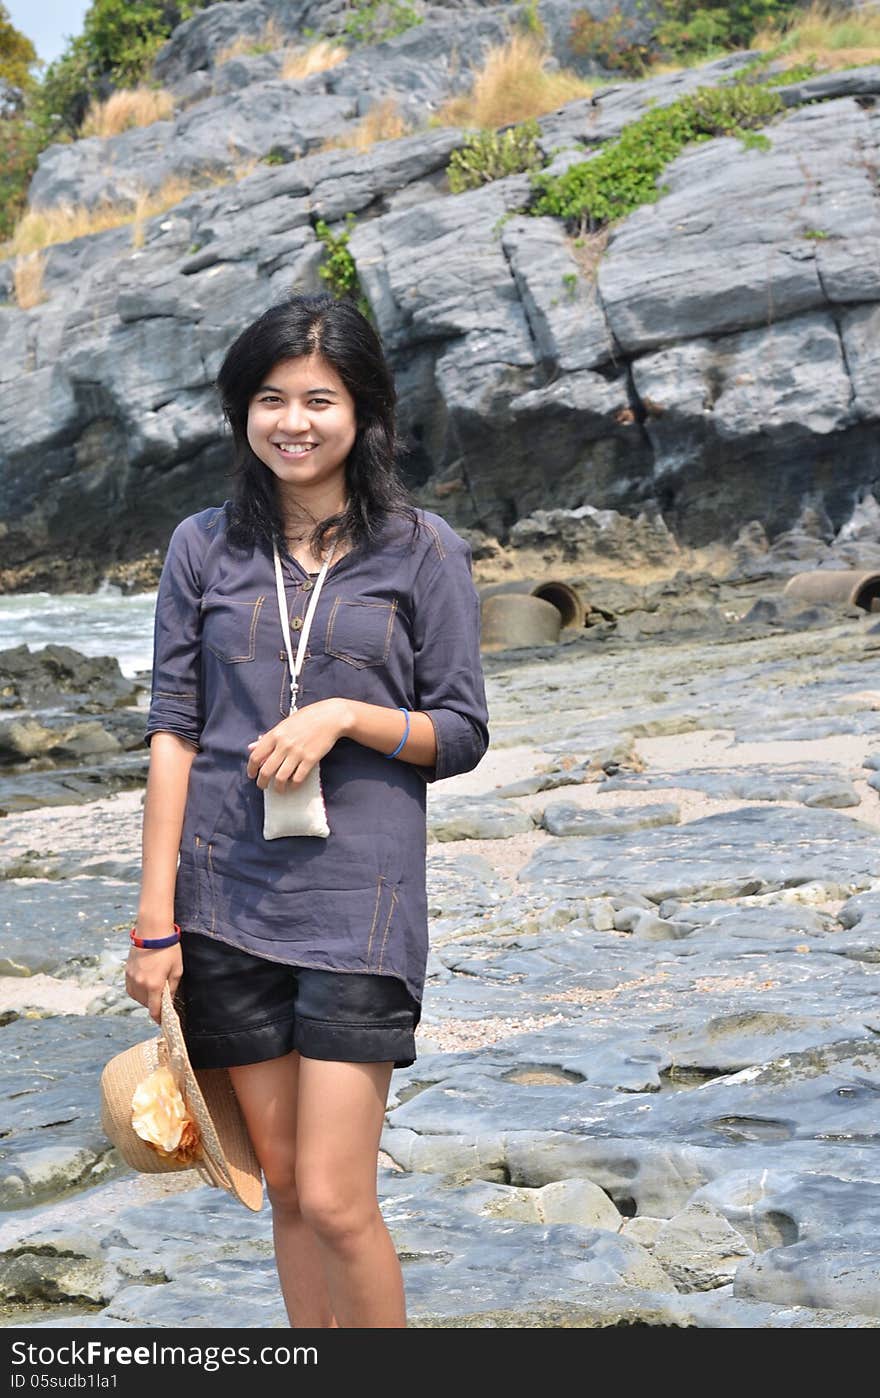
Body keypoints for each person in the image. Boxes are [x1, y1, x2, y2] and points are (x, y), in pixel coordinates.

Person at [125, 292, 489, 1329]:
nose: (294, 421)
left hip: (356, 909)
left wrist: (344, 714)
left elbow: (459, 731)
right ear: (244, 411)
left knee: (335, 1198)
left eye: (318, 400)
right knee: (281, 1188)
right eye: (270, 398)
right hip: (220, 900)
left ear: (363, 411)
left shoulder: (422, 550)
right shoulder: (201, 547)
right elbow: (172, 733)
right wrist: (155, 921)